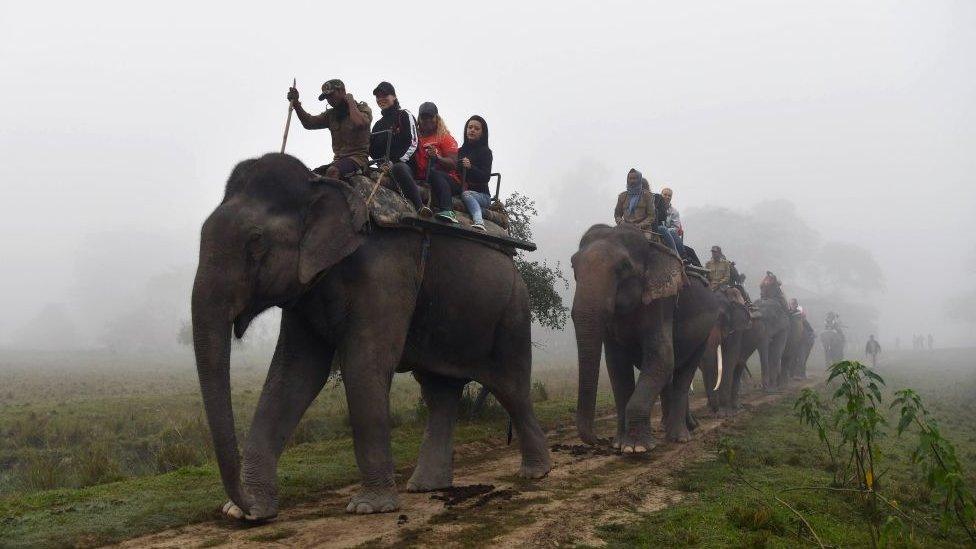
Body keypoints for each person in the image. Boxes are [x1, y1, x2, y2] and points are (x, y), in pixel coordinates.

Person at [287, 79, 372, 179]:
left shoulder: (361, 108)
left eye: (331, 95)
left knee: (333, 171)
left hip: (358, 160)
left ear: (342, 91)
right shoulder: (331, 114)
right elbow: (309, 123)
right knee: (309, 177)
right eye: (327, 97)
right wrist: (296, 104)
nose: (329, 99)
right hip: (338, 161)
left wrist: (350, 101)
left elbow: (359, 123)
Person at [368, 81, 423, 211]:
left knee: (398, 168)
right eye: (378, 96)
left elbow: (413, 142)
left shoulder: (404, 114)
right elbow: (373, 150)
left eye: (384, 95)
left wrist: (395, 162)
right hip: (384, 167)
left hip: (406, 165)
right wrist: (380, 164)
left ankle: (420, 207)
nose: (381, 99)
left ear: (394, 96)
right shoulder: (377, 125)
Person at [415, 102, 461, 223]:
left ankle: (448, 210)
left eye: (430, 117)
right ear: (419, 119)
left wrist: (437, 157)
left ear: (437, 118)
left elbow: (453, 163)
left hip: (449, 180)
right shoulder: (415, 138)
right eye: (424, 117)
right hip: (421, 177)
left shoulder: (444, 137)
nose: (427, 120)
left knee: (434, 173)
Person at [457, 115, 493, 231]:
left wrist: (470, 167)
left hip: (482, 195)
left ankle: (479, 221)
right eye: (470, 127)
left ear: (482, 133)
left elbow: (485, 177)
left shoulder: (485, 152)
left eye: (476, 129)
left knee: (466, 195)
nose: (472, 130)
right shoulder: (460, 151)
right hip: (462, 189)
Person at [614, 169, 656, 237]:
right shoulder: (622, 196)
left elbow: (651, 216)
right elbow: (617, 214)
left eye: (634, 178)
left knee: (647, 242)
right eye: (630, 178)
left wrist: (640, 226)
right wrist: (622, 223)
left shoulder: (647, 196)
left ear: (639, 180)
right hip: (625, 228)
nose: (632, 181)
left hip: (644, 230)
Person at [659, 187, 685, 256]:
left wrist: (666, 231)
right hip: (657, 232)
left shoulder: (674, 211)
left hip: (669, 234)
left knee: (671, 231)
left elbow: (676, 227)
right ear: (661, 195)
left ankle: (681, 255)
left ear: (671, 197)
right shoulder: (654, 206)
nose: (667, 197)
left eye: (669, 195)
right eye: (665, 194)